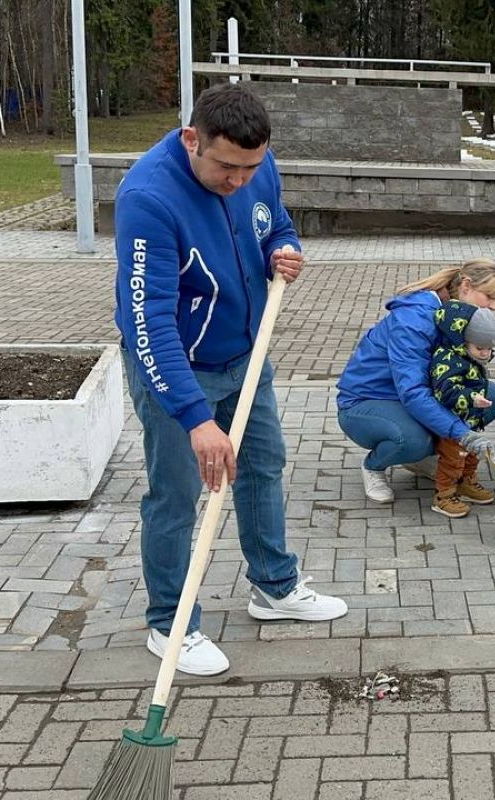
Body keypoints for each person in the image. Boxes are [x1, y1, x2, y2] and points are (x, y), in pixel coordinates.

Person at [114, 82, 347, 677]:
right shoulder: (148, 198)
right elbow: (149, 324)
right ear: (192, 139)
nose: (239, 180)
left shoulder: (256, 166)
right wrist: (195, 418)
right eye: (225, 166)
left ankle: (274, 587)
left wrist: (284, 249)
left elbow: (277, 224)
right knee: (177, 496)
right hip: (177, 370)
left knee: (263, 466)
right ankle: (170, 623)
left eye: (250, 167)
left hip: (247, 356)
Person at [336, 260, 495, 503]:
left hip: (409, 396)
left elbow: (455, 373)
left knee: (491, 397)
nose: (493, 307)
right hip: (367, 401)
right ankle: (374, 466)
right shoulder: (414, 319)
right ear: (467, 286)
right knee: (413, 439)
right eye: (490, 297)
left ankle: (423, 459)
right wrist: (461, 433)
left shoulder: (458, 314)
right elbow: (413, 391)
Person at [428, 301, 495, 518]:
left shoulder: (469, 356)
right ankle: (443, 495)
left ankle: (466, 483)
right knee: (453, 459)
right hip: (452, 422)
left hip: (470, 420)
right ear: (463, 341)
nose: (485, 354)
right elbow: (445, 392)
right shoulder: (448, 359)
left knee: (471, 455)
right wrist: (471, 398)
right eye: (480, 349)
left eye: (489, 349)